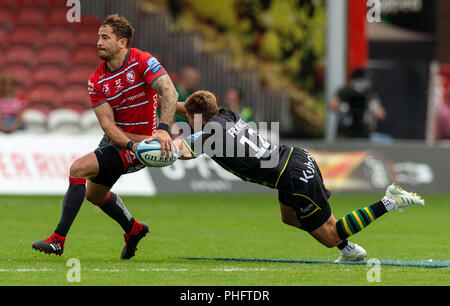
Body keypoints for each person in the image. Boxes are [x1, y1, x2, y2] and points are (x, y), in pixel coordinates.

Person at [169, 90, 424, 262]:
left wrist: (155, 143)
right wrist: (161, 99)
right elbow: (183, 108)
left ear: (194, 118)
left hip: (293, 175)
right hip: (293, 159)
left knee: (330, 233)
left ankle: (390, 201)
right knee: (289, 217)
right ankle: (347, 249)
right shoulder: (226, 114)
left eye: (189, 119)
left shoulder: (209, 134)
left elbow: (183, 152)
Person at [32, 14, 179, 259]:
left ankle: (58, 240)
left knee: (78, 169)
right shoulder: (96, 81)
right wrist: (132, 146)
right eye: (98, 36)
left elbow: (169, 92)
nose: (98, 41)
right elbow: (108, 126)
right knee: (94, 194)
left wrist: (163, 129)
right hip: (125, 142)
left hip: (146, 143)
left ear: (122, 42)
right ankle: (134, 230)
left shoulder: (143, 61)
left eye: (105, 37)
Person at [329, 68, 386, 139]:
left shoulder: (369, 93)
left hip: (363, 134)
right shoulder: (345, 91)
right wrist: (344, 107)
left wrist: (372, 108)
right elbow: (332, 105)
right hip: (345, 134)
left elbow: (381, 114)